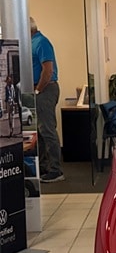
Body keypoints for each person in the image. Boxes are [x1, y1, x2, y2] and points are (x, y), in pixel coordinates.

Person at [31, 16, 65, 182]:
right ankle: (44, 166)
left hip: (45, 89)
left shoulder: (41, 42)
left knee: (47, 130)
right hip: (39, 89)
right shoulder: (32, 42)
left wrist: (38, 90)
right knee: (39, 131)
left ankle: (56, 170)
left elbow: (48, 71)